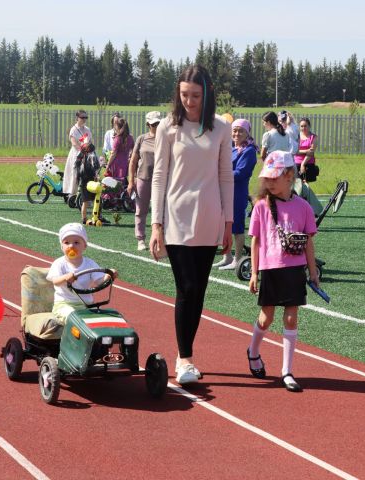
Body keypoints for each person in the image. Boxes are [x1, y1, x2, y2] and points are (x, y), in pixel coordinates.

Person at [150, 65, 233, 384]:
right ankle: (184, 359)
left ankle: (187, 354)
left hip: (210, 218)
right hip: (176, 219)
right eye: (184, 95)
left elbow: (226, 176)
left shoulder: (221, 129)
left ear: (207, 93)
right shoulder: (168, 128)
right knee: (186, 287)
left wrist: (228, 222)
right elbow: (159, 177)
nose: (189, 101)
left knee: (198, 290)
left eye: (195, 95)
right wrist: (156, 223)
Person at [247, 151, 318, 393]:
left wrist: (313, 271)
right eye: (267, 178)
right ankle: (253, 350)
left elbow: (308, 241)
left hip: (294, 271)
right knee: (266, 317)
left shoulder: (304, 207)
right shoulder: (261, 207)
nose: (269, 182)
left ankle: (287, 371)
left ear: (289, 176)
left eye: (274, 178)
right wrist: (255, 273)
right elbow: (255, 242)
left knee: (291, 317)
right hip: (270, 270)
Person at [47, 223, 115, 322]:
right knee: (74, 318)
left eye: (76, 242)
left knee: (102, 320)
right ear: (62, 247)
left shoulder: (90, 263)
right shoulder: (59, 263)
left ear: (85, 246)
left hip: (86, 305)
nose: (71, 246)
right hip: (64, 305)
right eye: (66, 242)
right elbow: (55, 281)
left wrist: (109, 276)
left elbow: (100, 281)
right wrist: (65, 278)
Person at [215, 118, 259, 270]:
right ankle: (227, 257)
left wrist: (219, 173)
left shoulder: (249, 151)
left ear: (248, 133)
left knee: (237, 227)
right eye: (234, 130)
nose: (237, 133)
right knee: (222, 225)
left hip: (237, 193)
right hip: (223, 191)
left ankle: (238, 259)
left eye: (241, 131)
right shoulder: (231, 147)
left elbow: (241, 173)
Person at [128, 110, 162, 251]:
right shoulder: (141, 139)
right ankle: (140, 239)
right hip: (143, 178)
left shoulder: (166, 139)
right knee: (141, 210)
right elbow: (133, 162)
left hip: (161, 180)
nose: (156, 126)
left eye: (158, 123)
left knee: (161, 211)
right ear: (148, 124)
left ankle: (161, 239)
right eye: (153, 124)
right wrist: (131, 181)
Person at [62, 110, 92, 196]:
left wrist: (88, 151)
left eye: (86, 117)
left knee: (87, 174)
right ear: (77, 118)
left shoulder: (87, 129)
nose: (84, 119)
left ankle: (86, 195)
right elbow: (74, 143)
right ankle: (72, 194)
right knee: (75, 174)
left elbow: (90, 142)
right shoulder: (73, 130)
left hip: (87, 155)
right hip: (76, 154)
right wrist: (83, 151)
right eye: (82, 117)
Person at [75, 139, 101, 224]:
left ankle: (84, 218)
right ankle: (97, 216)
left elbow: (78, 170)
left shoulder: (80, 157)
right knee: (96, 200)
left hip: (83, 182)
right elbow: (95, 167)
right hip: (91, 182)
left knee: (85, 202)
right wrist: (97, 176)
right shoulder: (91, 156)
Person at [294, 117, 319, 182]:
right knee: (296, 185)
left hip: (309, 163)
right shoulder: (296, 137)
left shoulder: (314, 137)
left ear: (309, 126)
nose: (303, 128)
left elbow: (311, 152)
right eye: (301, 126)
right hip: (296, 163)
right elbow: (293, 151)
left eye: (305, 126)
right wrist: (305, 151)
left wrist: (303, 164)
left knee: (305, 184)